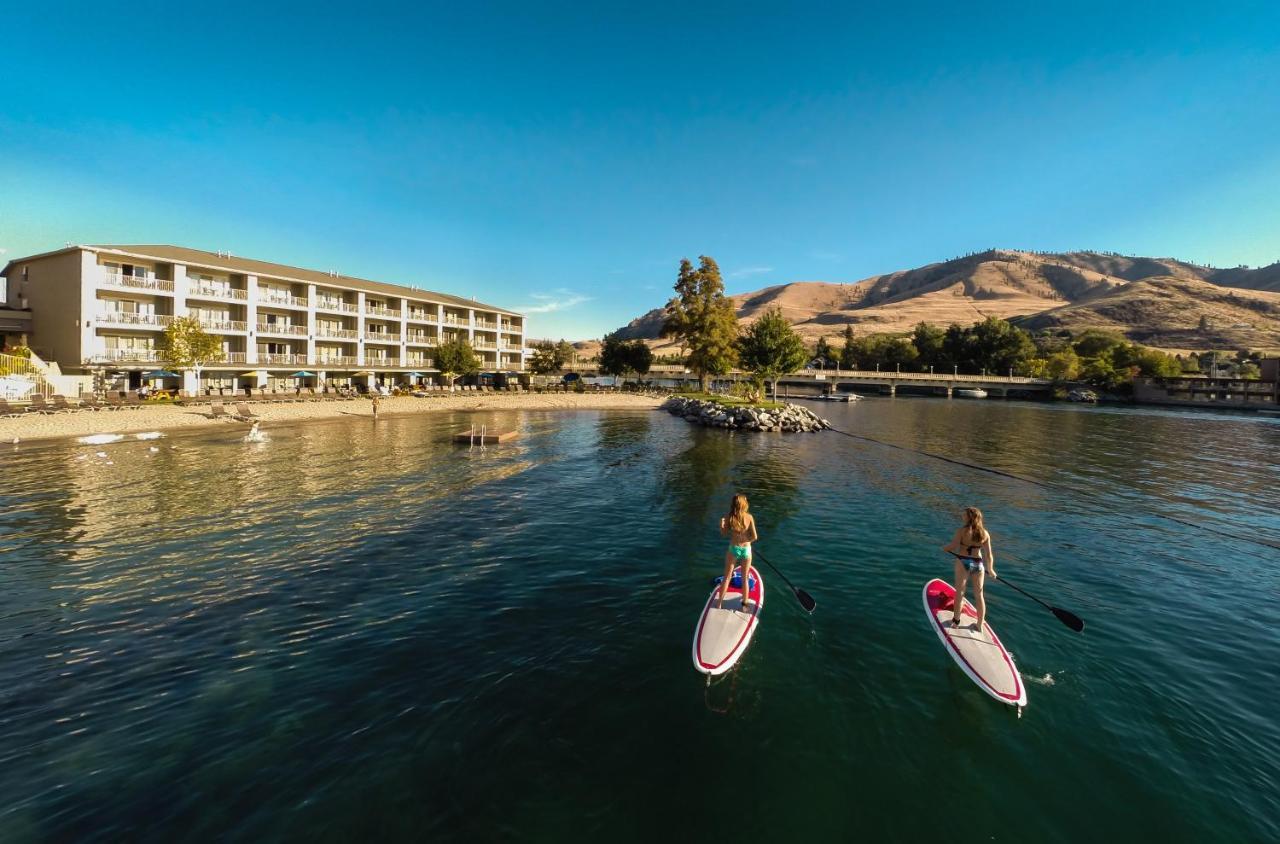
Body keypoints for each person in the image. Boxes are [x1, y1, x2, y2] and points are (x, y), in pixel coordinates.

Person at [942, 506, 998, 631]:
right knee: (979, 594)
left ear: (969, 517)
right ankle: (980, 624)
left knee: (960, 592)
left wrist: (945, 548)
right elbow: (989, 555)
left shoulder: (962, 531)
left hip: (963, 561)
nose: (962, 516)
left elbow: (953, 546)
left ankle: (956, 621)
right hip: (978, 564)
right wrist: (991, 569)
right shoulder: (985, 533)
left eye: (964, 515)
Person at [717, 493, 759, 612]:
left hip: (733, 549)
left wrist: (721, 525)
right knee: (745, 578)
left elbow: (724, 533)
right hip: (746, 550)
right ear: (744, 504)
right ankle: (744, 606)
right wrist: (746, 541)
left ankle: (719, 604)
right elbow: (754, 537)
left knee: (727, 577)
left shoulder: (729, 516)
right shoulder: (749, 517)